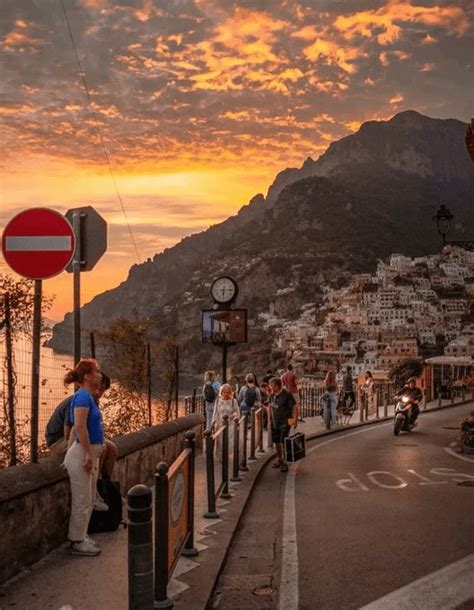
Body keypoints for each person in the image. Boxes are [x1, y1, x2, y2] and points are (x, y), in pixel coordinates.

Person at [45, 373, 117, 507]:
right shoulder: (79, 400)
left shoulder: (92, 400)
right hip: (59, 440)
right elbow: (70, 432)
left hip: (76, 436)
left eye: (103, 391)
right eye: (99, 388)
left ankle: (105, 486)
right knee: (101, 449)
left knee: (111, 448)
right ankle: (93, 491)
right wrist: (86, 449)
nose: (99, 393)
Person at [63, 359, 105, 556]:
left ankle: (81, 535)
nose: (100, 375)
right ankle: (77, 541)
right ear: (87, 376)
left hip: (87, 454)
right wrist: (88, 453)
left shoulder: (88, 396)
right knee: (82, 499)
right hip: (81, 454)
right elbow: (79, 426)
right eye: (96, 372)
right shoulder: (81, 397)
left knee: (87, 499)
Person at [269, 377, 296, 472]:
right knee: (276, 441)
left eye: (272, 385)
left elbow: (293, 407)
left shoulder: (287, 394)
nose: (270, 387)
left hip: (285, 422)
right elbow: (270, 407)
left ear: (277, 386)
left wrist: (294, 421)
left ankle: (285, 462)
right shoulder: (271, 395)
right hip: (275, 422)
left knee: (283, 441)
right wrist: (269, 421)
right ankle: (280, 459)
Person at [211, 384, 240, 461]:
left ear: (230, 392)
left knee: (229, 441)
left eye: (227, 392)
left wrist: (234, 416)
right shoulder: (218, 401)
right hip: (220, 423)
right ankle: (221, 456)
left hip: (230, 424)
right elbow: (215, 412)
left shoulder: (234, 401)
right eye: (224, 392)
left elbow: (236, 412)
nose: (225, 394)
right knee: (220, 441)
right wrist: (213, 422)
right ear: (221, 392)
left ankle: (226, 455)